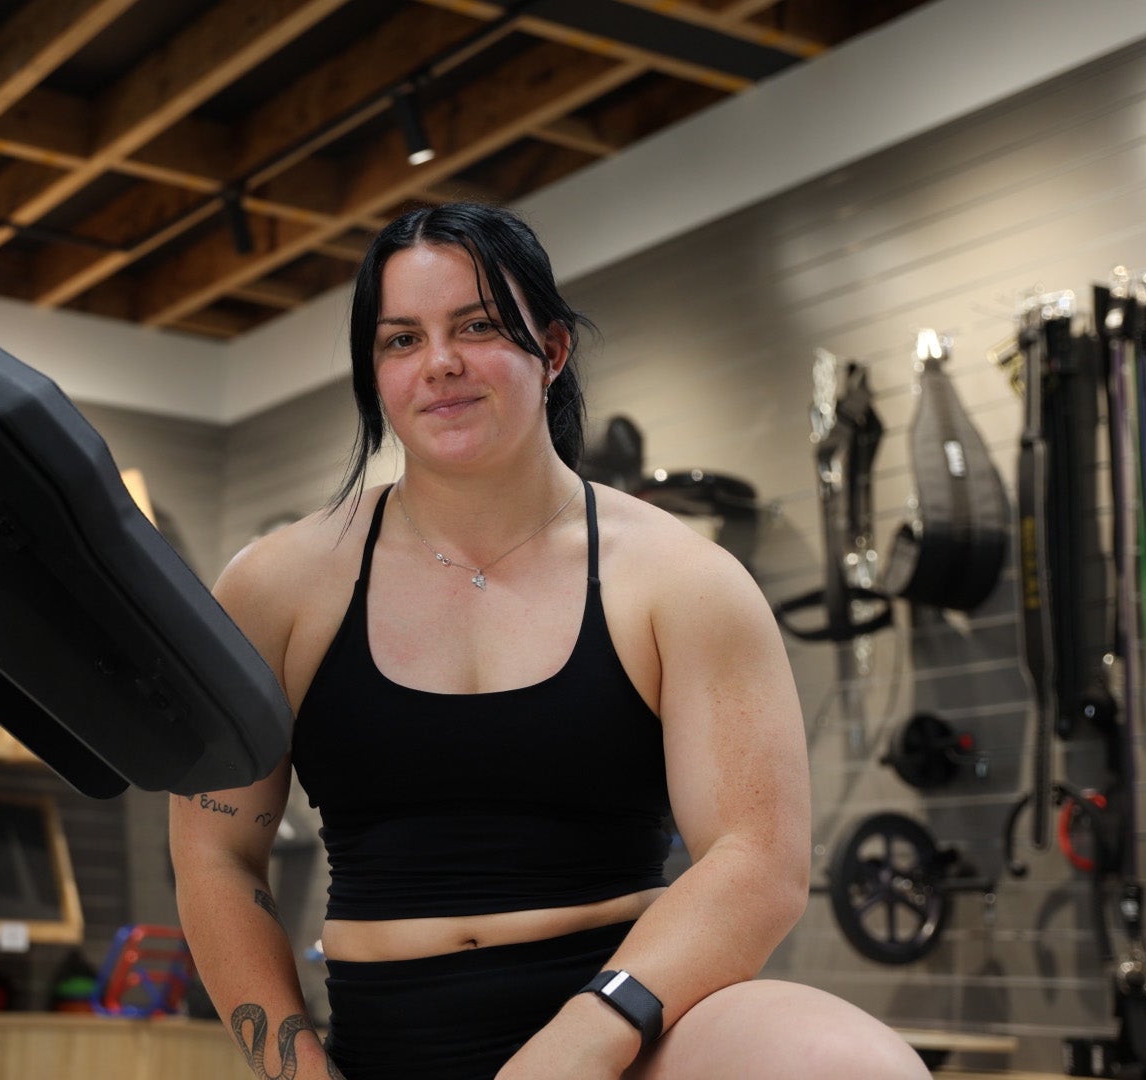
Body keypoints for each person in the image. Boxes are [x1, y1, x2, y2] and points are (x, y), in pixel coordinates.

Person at [169, 202, 929, 1080]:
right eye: (402, 340)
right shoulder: (276, 587)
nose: (440, 362)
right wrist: (299, 1072)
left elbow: (758, 860)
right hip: (385, 1043)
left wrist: (581, 1043)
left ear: (554, 350)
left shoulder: (682, 579)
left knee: (854, 1067)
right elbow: (217, 853)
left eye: (477, 326)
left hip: (630, 1036)